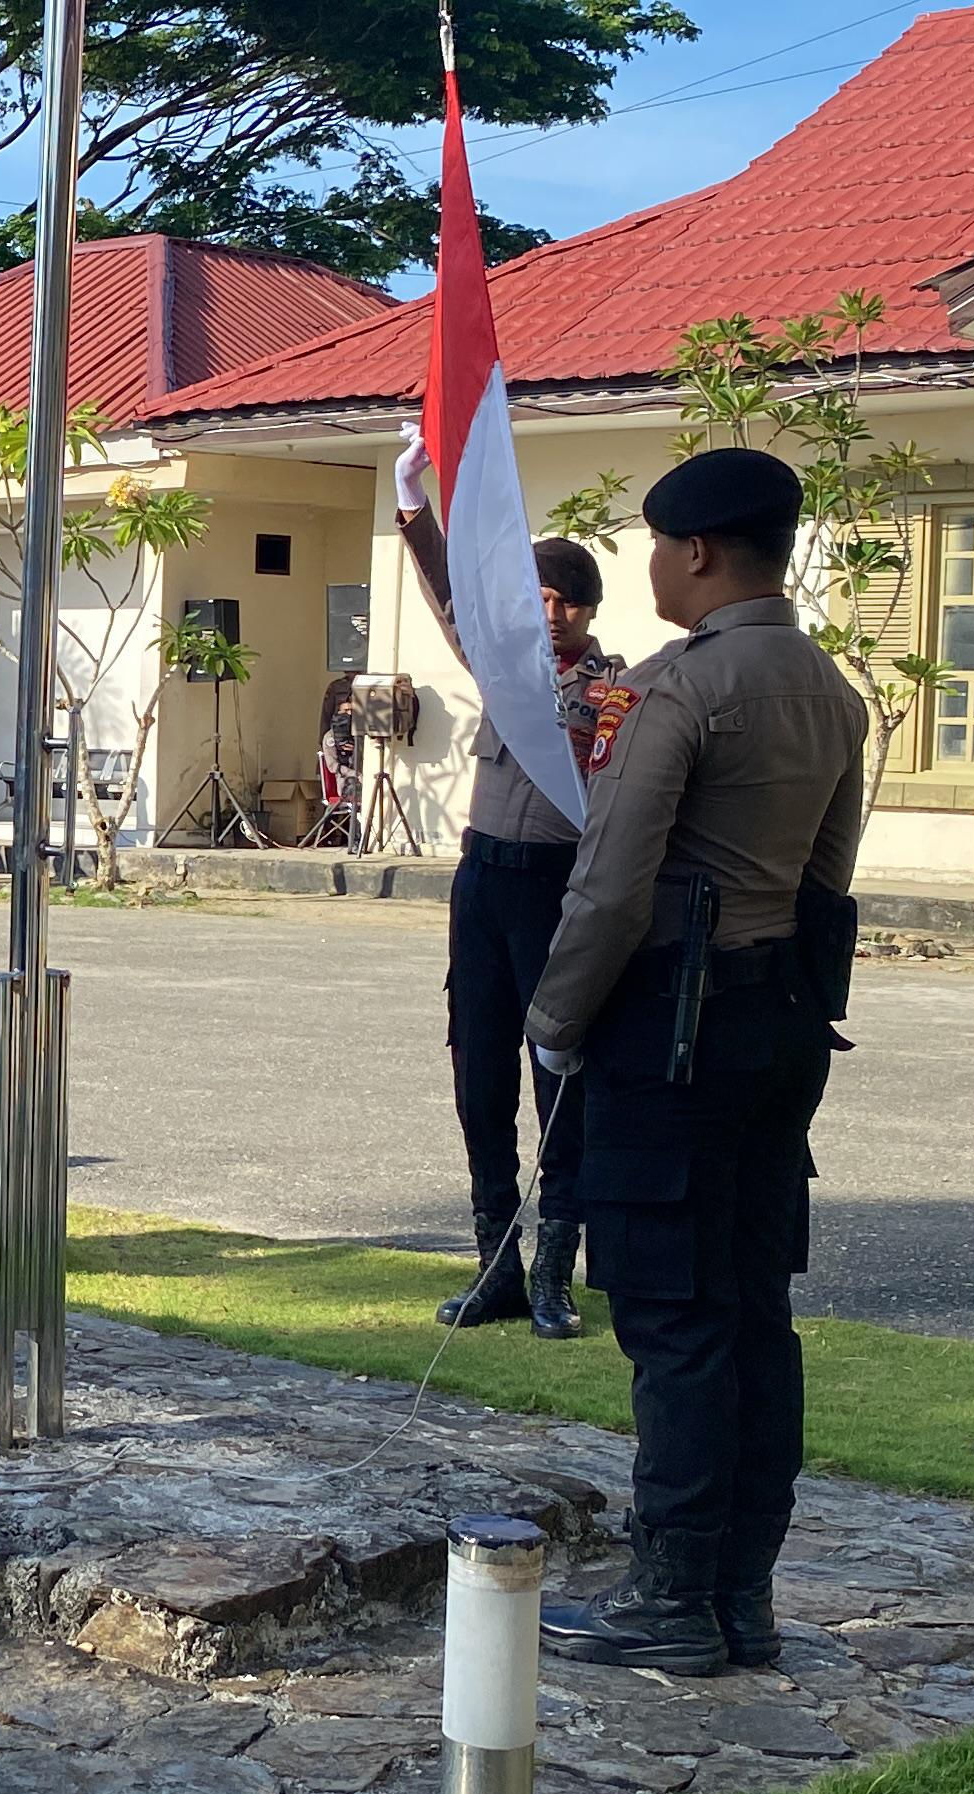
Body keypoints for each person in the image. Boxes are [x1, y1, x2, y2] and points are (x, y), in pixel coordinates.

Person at [526, 447, 866, 1678]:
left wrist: (555, 1023)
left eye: (658, 547)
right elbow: (828, 878)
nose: (653, 567)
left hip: (670, 1027)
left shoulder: (681, 690)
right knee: (751, 1312)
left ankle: (671, 1598)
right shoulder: (830, 688)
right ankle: (740, 1593)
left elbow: (611, 889)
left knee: (672, 1318)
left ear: (701, 551)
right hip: (778, 1019)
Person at [396, 430, 632, 1341]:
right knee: (479, 1073)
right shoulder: (503, 668)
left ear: (589, 610)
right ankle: (494, 1262)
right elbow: (454, 600)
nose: (557, 611)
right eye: (542, 596)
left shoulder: (614, 691)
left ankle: (553, 1278)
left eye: (572, 600)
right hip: (484, 884)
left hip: (558, 892)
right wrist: (413, 505)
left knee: (559, 1078)